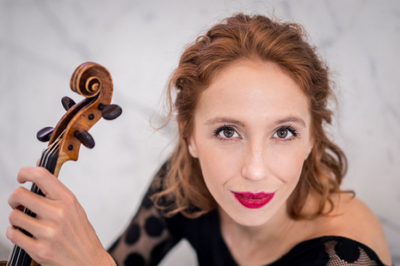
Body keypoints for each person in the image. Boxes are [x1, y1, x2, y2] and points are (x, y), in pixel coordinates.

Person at [6, 13, 392, 266]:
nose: (255, 170)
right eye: (227, 132)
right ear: (189, 135)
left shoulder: (345, 256)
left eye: (284, 132)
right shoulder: (182, 187)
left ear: (311, 139)